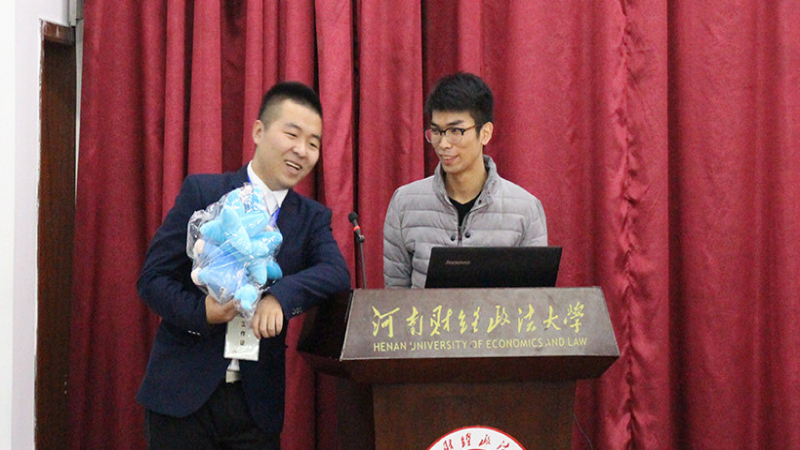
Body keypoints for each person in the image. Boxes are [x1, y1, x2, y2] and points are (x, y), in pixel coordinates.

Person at [137, 81, 351, 449]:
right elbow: (152, 279)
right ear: (258, 132)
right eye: (292, 134)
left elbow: (336, 274)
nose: (301, 150)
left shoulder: (311, 218)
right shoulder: (204, 193)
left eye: (313, 143)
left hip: (255, 406)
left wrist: (279, 298)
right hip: (182, 397)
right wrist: (203, 312)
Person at [383, 72, 547, 288]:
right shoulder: (404, 203)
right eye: (436, 131)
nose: (443, 144)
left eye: (455, 131)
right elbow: (395, 296)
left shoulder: (525, 210)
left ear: (485, 133)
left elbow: (534, 299)